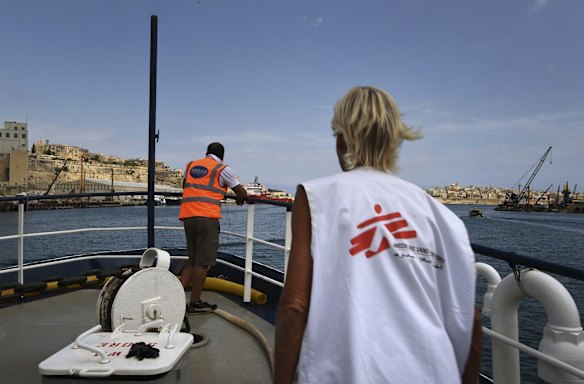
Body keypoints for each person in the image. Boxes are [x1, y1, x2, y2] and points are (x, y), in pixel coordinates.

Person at [274, 86, 481, 383]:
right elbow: (470, 320)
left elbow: (295, 306)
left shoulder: (317, 196)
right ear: (395, 140)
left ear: (342, 140)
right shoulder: (443, 217)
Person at [178, 142, 247, 313]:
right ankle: (194, 302)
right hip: (207, 218)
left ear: (206, 153)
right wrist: (239, 199)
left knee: (192, 260)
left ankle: (175, 299)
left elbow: (185, 186)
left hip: (188, 215)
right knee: (203, 263)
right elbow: (242, 193)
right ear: (222, 155)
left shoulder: (190, 165)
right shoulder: (222, 168)